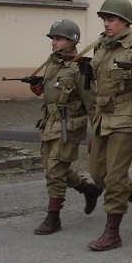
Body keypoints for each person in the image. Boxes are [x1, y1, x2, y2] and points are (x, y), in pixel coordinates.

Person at [85, 0, 132, 251]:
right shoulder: (101, 47)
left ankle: (112, 231)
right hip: (104, 117)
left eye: (111, 19)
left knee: (114, 176)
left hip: (128, 118)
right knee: (97, 173)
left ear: (124, 21)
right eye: (104, 19)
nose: (106, 23)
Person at [31, 19, 102, 235]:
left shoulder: (80, 67)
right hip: (50, 123)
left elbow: (92, 103)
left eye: (59, 38)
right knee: (52, 165)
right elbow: (53, 89)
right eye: (53, 38)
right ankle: (88, 189)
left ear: (72, 41)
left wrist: (97, 134)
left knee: (55, 169)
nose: (53, 42)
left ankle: (53, 217)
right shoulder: (53, 62)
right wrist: (38, 87)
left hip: (69, 125)